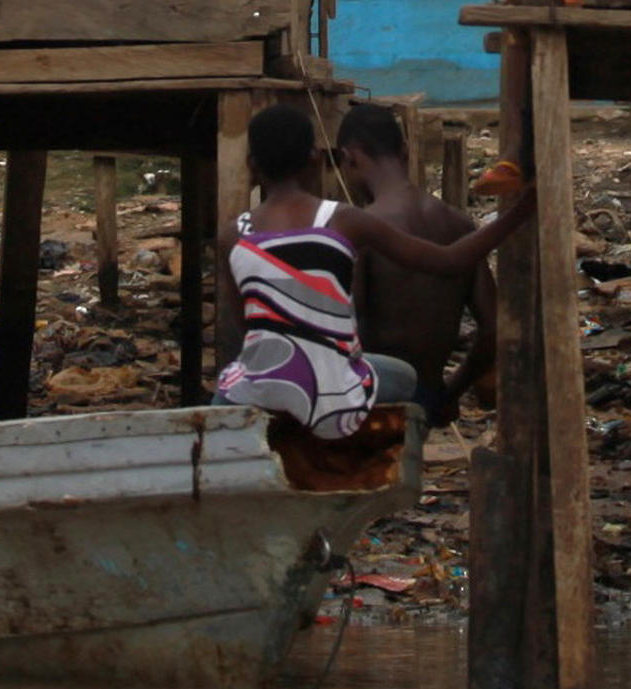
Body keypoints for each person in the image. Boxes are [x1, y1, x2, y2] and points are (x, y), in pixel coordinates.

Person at [217, 103, 534, 439]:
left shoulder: (231, 235)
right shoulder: (346, 221)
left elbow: (244, 327)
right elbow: (451, 261)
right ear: (315, 159)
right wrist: (520, 211)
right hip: (362, 394)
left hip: (268, 386)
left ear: (251, 165)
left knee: (224, 408)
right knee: (403, 377)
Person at [327, 104, 497, 425]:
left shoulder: (363, 229)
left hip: (372, 396)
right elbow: (493, 327)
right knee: (408, 473)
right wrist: (451, 392)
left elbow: (345, 327)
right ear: (405, 153)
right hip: (429, 394)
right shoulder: (458, 225)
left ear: (349, 158)